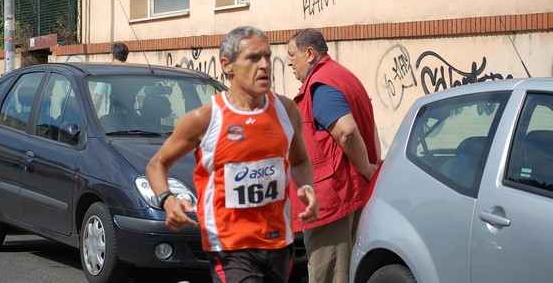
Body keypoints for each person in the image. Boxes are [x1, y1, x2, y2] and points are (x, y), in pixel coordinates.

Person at [146, 26, 319, 283]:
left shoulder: (286, 110)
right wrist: (168, 200)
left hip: (278, 241)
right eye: (252, 58)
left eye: (267, 57)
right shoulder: (205, 118)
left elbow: (301, 160)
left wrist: (307, 187)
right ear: (227, 66)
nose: (264, 66)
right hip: (229, 245)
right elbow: (157, 164)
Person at [286, 28, 381, 283]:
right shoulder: (344, 76)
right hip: (350, 193)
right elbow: (371, 128)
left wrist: (367, 169)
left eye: (291, 55)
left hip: (333, 201)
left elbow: (348, 132)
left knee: (329, 274)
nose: (288, 62)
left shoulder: (321, 85)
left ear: (309, 53)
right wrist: (371, 169)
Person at [92, 42, 129, 114]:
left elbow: (97, 101)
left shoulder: (107, 74)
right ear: (126, 56)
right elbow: (141, 99)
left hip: (112, 120)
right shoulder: (133, 73)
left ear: (112, 57)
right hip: (131, 120)